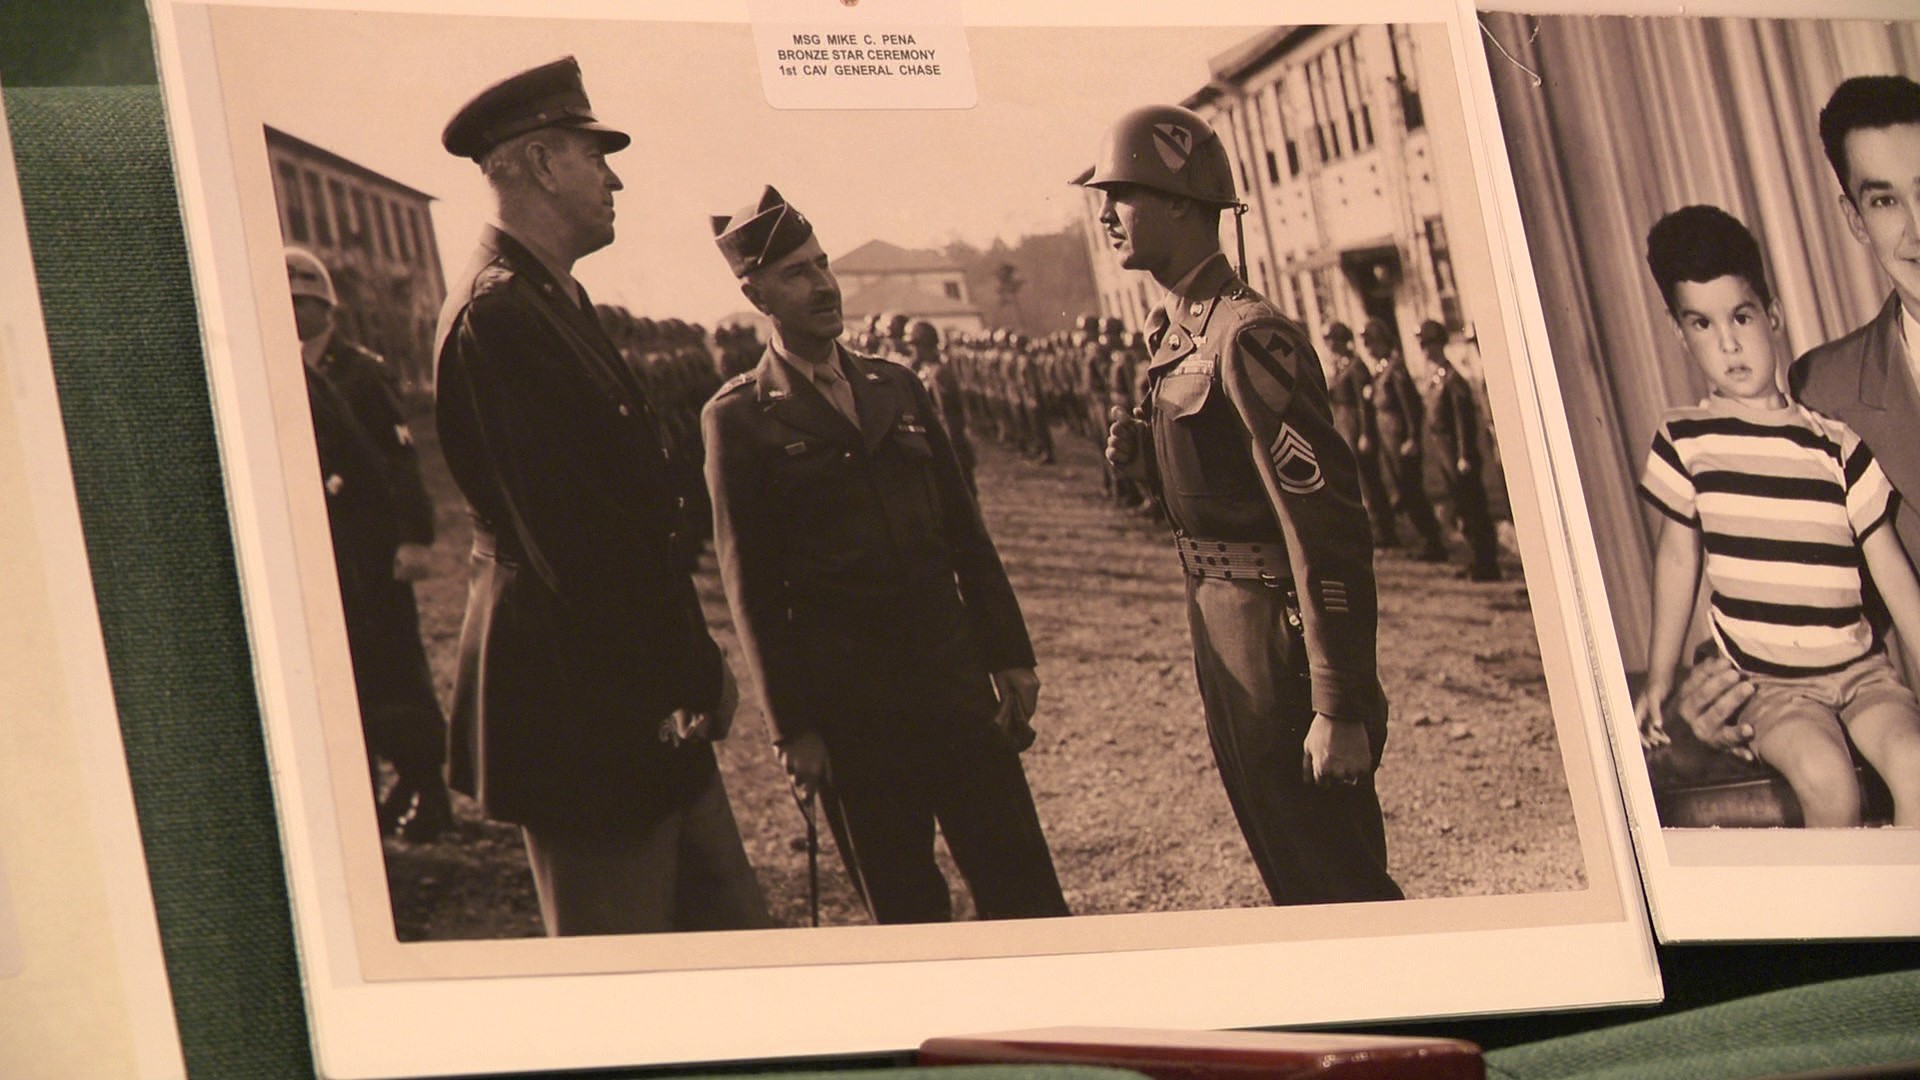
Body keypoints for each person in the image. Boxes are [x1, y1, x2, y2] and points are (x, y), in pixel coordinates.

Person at [432, 57, 768, 935]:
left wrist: (687, 668)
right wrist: (693, 669)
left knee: (735, 951)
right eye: (594, 155)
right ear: (541, 164)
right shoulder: (499, 315)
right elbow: (577, 547)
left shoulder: (550, 299)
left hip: (634, 691)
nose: (613, 175)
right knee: (635, 978)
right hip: (584, 712)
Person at [702, 186, 1068, 925]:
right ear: (755, 292)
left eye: (823, 263)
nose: (825, 285)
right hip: (854, 717)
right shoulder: (739, 417)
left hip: (955, 686)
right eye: (798, 273)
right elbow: (752, 589)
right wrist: (791, 728)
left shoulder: (893, 385)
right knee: (907, 912)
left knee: (1025, 893)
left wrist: (1009, 652)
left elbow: (967, 533)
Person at [1097, 105, 1402, 905]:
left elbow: (1326, 529)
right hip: (1222, 631)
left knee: (1336, 880)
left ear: (1181, 203)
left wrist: (1337, 702)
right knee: (1290, 869)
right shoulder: (1175, 337)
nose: (1104, 214)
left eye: (1121, 194)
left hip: (1278, 640)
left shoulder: (1247, 336)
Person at [1634, 205, 1920, 826]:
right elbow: (1679, 557)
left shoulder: (1836, 442)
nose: (1729, 343)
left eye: (1741, 317)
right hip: (1771, 685)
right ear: (1681, 335)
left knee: (1918, 771)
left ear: (1774, 316)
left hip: (1864, 672)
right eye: (1703, 325)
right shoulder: (1688, 440)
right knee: (1829, 784)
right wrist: (1661, 675)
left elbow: (1893, 573)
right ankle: (1845, 921)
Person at [1678, 75, 1920, 756]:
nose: (1917, 228)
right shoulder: (1826, 389)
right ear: (1854, 219)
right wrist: (1717, 685)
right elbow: (1799, 583)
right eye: (1885, 200)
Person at [287, 246, 453, 843]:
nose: (292, 310)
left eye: (303, 300)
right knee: (351, 671)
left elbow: (401, 460)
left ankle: (427, 789)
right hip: (329, 550)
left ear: (326, 305)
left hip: (374, 545)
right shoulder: (280, 366)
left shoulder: (361, 370)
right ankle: (388, 783)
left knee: (397, 670)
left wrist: (413, 538)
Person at [1418, 320, 1502, 582]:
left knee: (1473, 509)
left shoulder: (1453, 380)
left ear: (1439, 344)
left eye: (1428, 344)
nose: (1424, 350)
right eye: (1422, 345)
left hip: (1458, 453)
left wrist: (1464, 454)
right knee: (1462, 508)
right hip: (1445, 451)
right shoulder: (1437, 377)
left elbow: (1462, 422)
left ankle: (1487, 564)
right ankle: (1474, 559)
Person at [1363, 318, 1448, 563]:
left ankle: (1433, 541)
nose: (1369, 348)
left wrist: (1412, 437)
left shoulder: (1396, 368)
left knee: (1411, 491)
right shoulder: (1382, 369)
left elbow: (1410, 407)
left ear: (1383, 342)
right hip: (1389, 438)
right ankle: (1427, 540)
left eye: (1372, 342)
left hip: (1400, 437)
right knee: (1403, 488)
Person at [1323, 321, 1397, 548]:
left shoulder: (1356, 367)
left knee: (1369, 479)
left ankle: (1385, 529)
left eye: (1332, 339)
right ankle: (1375, 527)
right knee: (1358, 479)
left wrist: (1365, 433)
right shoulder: (1339, 366)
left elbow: (1362, 403)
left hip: (1356, 425)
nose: (1329, 344)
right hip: (1344, 424)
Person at [905, 319, 977, 495]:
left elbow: (949, 417)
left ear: (923, 346)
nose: (911, 351)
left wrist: (951, 454)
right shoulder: (927, 371)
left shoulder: (939, 373)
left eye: (914, 346)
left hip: (951, 447)